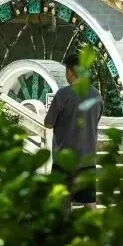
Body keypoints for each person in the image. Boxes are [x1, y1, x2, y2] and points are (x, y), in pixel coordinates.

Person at [44, 50, 103, 209]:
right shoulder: (96, 95)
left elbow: (48, 123)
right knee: (90, 203)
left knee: (62, 203)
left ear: (70, 71)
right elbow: (95, 120)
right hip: (87, 159)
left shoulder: (62, 95)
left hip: (63, 160)